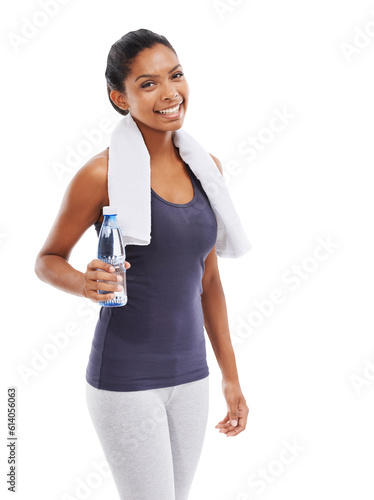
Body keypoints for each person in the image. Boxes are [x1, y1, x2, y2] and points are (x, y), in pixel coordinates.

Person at [34, 28, 249, 500]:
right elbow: (47, 260)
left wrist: (231, 378)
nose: (170, 93)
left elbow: (208, 281)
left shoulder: (205, 166)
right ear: (120, 97)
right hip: (125, 377)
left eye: (175, 76)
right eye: (148, 83)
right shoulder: (100, 174)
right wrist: (82, 283)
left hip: (192, 376)